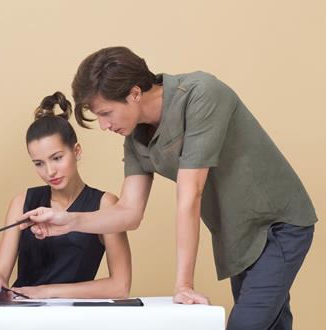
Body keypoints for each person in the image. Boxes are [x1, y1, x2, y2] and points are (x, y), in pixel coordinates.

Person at [21, 47, 317, 329]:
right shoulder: (136, 136)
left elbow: (190, 194)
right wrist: (68, 221)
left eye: (106, 113)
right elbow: (128, 212)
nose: (103, 125)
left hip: (278, 224)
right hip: (237, 238)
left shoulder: (202, 94)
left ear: (134, 93)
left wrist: (183, 285)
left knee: (246, 325)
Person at [0, 92, 131, 299]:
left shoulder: (105, 204)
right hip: (22, 314)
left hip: (72, 317)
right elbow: (0, 273)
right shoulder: (22, 202)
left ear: (77, 151)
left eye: (57, 158)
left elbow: (120, 287)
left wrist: (46, 292)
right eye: (39, 163)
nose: (50, 172)